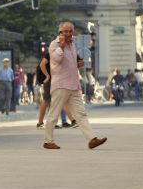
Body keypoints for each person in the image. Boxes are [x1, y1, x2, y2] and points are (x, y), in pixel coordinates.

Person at [43, 22, 107, 150]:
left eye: (70, 31)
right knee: (54, 114)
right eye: (65, 31)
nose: (67, 34)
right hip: (61, 85)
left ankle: (92, 139)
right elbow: (57, 60)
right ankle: (48, 141)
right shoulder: (54, 44)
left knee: (81, 114)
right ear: (60, 32)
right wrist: (61, 46)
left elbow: (69, 63)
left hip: (74, 85)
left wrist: (78, 63)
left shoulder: (73, 45)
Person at [35, 48, 77, 129]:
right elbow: (42, 64)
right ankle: (40, 123)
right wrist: (47, 76)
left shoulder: (60, 55)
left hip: (55, 80)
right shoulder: (51, 54)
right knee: (48, 100)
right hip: (49, 80)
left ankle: (67, 121)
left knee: (57, 100)